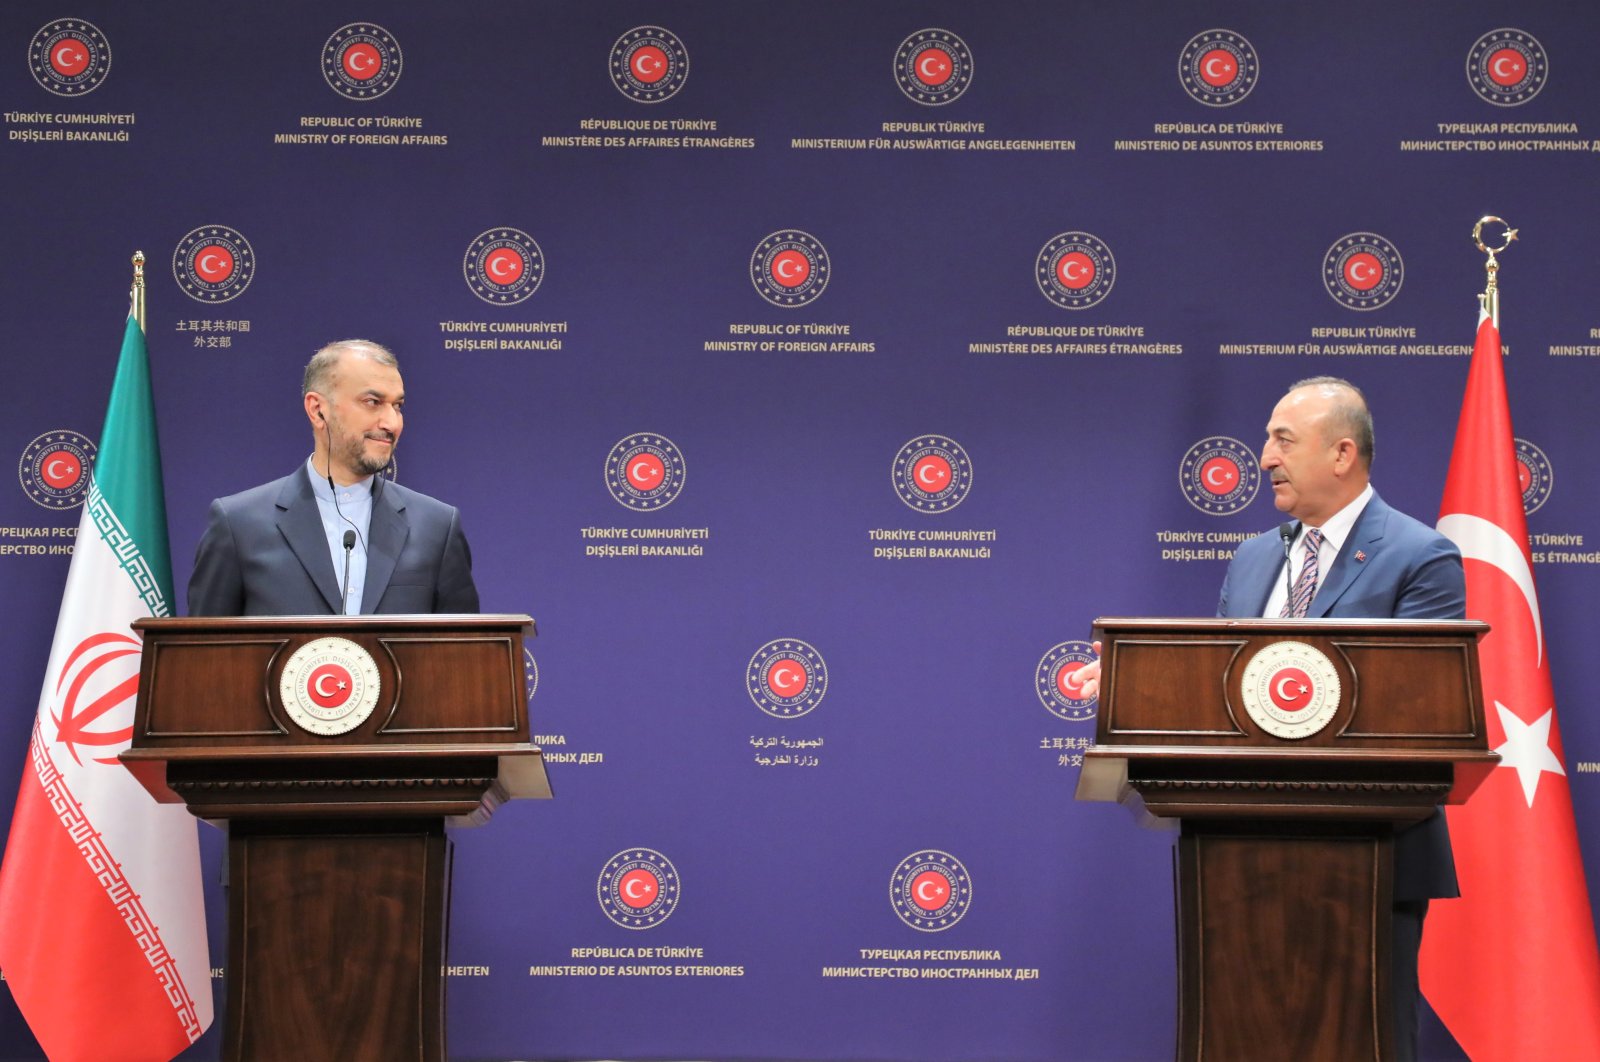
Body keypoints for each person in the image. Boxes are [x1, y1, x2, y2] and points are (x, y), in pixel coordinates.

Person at [1076, 376, 1463, 1061]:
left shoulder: (1420, 555)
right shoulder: (1254, 556)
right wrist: (1136, 684)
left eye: (1283, 440)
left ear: (1343, 453)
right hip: (1238, 855)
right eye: (1266, 441)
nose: (1263, 458)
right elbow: (1229, 688)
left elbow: (1418, 707)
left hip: (1373, 856)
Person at [187, 339, 479, 616]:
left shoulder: (437, 527)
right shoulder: (239, 525)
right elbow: (205, 655)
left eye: (397, 406)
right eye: (372, 401)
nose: (391, 423)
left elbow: (467, 655)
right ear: (318, 410)